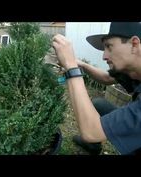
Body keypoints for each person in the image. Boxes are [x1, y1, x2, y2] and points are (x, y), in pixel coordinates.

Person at [52, 22, 141, 155]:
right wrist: (80, 64)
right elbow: (106, 78)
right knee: (99, 104)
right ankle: (93, 148)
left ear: (134, 44)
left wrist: (71, 67)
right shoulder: (133, 69)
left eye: (109, 47)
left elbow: (91, 132)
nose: (104, 56)